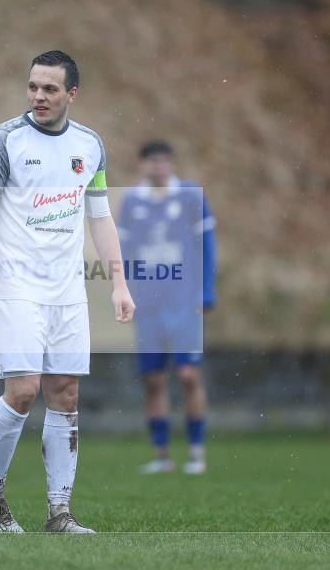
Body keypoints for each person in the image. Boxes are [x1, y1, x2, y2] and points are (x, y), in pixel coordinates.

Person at [0, 50, 135, 533]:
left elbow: (99, 217)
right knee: (22, 391)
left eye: (50, 89)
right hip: (16, 285)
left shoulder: (91, 146)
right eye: (32, 87)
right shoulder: (4, 141)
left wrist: (119, 284)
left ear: (72, 94)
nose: (38, 96)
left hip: (68, 291)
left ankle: (59, 513)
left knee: (65, 393)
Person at [116, 141, 216, 475]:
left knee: (188, 375)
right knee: (154, 380)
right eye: (153, 161)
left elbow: (207, 246)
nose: (159, 167)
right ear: (142, 165)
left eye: (164, 161)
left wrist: (206, 290)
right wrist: (124, 292)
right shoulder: (131, 201)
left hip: (183, 302)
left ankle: (196, 452)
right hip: (148, 306)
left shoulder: (190, 196)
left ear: (172, 163)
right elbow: (122, 253)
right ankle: (162, 455)